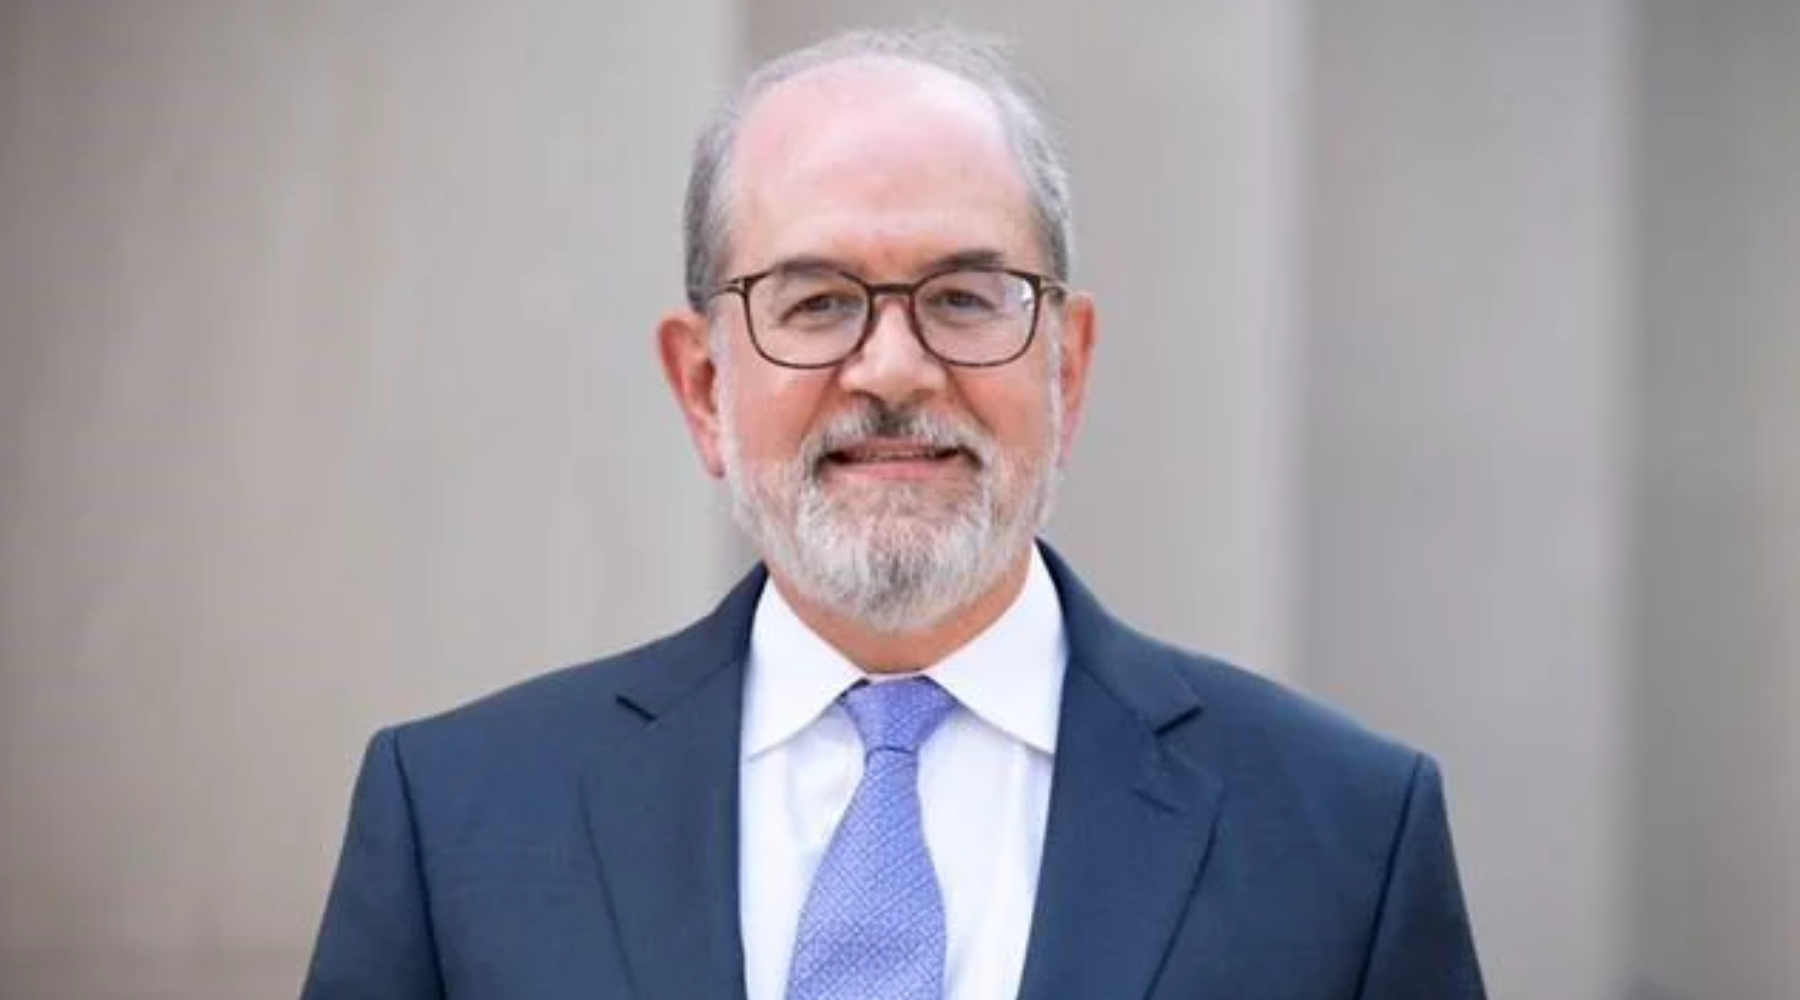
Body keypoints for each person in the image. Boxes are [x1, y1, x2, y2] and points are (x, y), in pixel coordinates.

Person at [301, 25, 1486, 1000]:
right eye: (816, 301)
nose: (894, 369)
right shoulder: (456, 822)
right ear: (705, 386)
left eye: (965, 298)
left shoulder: (1345, 837)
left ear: (1067, 369)